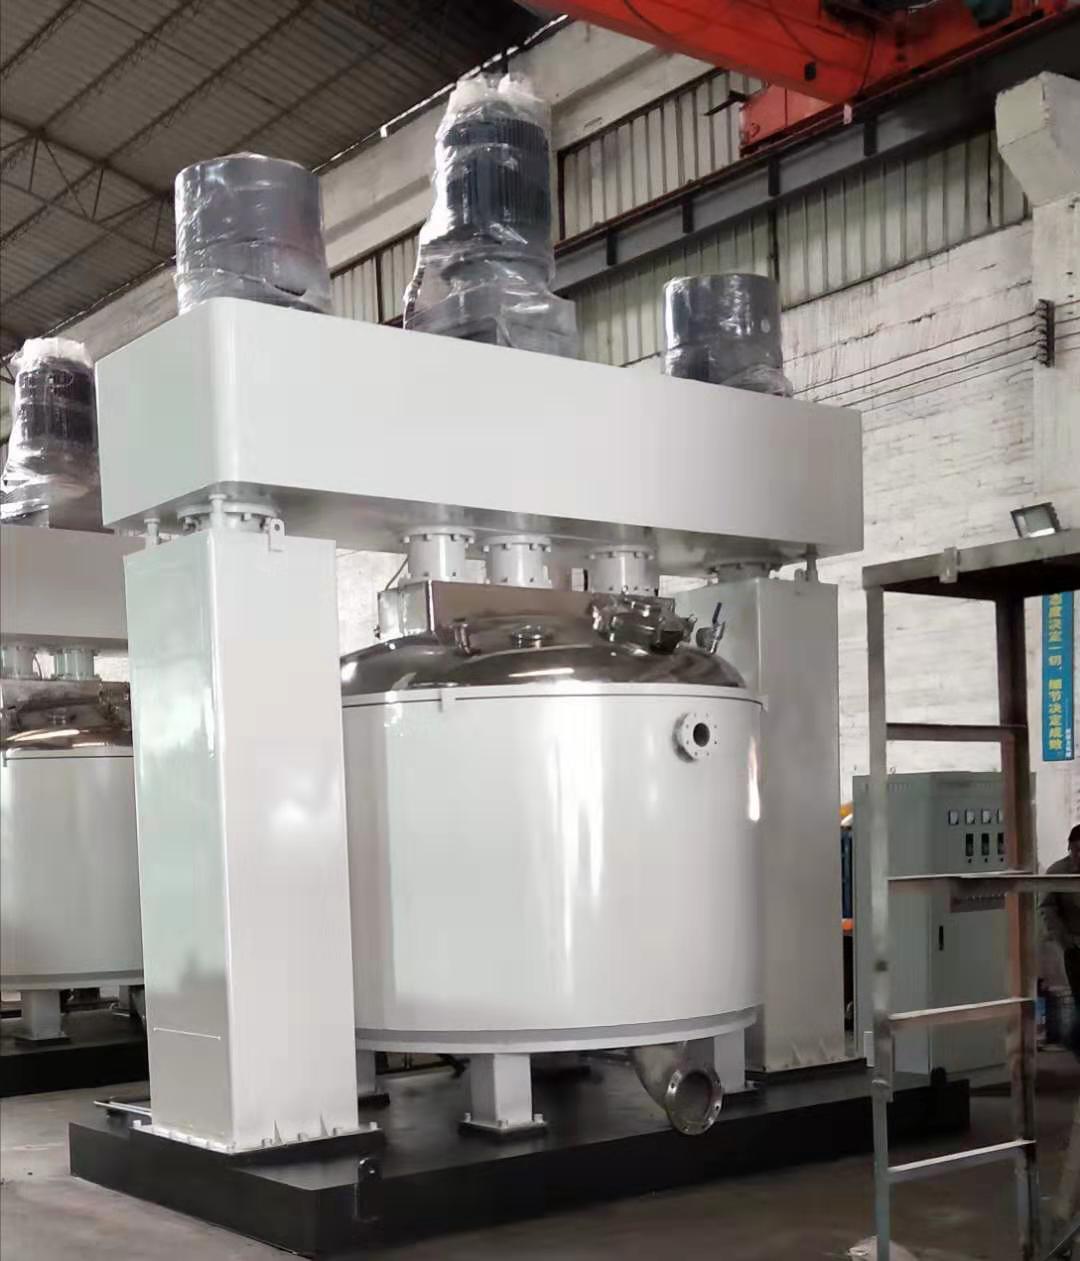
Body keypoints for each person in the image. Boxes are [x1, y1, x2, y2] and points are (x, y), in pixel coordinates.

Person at [1041, 823, 1080, 1054]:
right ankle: (1073, 1040)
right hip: (1074, 947)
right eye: (1076, 849)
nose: (1079, 855)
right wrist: (1064, 940)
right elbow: (1047, 908)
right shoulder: (1057, 872)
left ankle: (1073, 1039)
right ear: (1069, 848)